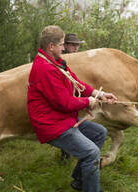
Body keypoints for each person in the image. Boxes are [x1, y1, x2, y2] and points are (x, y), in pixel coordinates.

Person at [27, 25, 117, 192]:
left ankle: (80, 179)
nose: (64, 47)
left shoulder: (57, 62)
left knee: (99, 133)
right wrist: (88, 102)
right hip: (52, 125)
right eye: (62, 44)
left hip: (63, 119)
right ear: (51, 46)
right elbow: (64, 103)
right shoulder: (45, 69)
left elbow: (76, 83)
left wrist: (99, 94)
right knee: (91, 153)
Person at [60, 33, 86, 161]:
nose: (76, 48)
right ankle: (66, 152)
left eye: (77, 46)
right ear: (64, 46)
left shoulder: (79, 60)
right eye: (73, 45)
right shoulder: (60, 61)